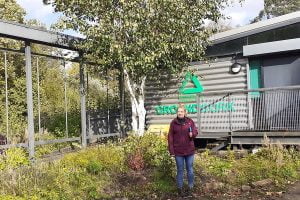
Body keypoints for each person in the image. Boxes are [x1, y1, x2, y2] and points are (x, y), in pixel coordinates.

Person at [168, 104, 198, 197]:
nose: (179, 113)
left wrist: (192, 134)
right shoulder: (173, 123)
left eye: (181, 111)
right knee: (180, 170)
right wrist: (171, 150)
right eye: (178, 112)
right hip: (178, 152)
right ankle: (180, 188)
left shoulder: (190, 122)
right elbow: (170, 137)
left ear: (185, 112)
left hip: (189, 150)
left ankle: (190, 187)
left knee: (190, 169)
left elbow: (196, 132)